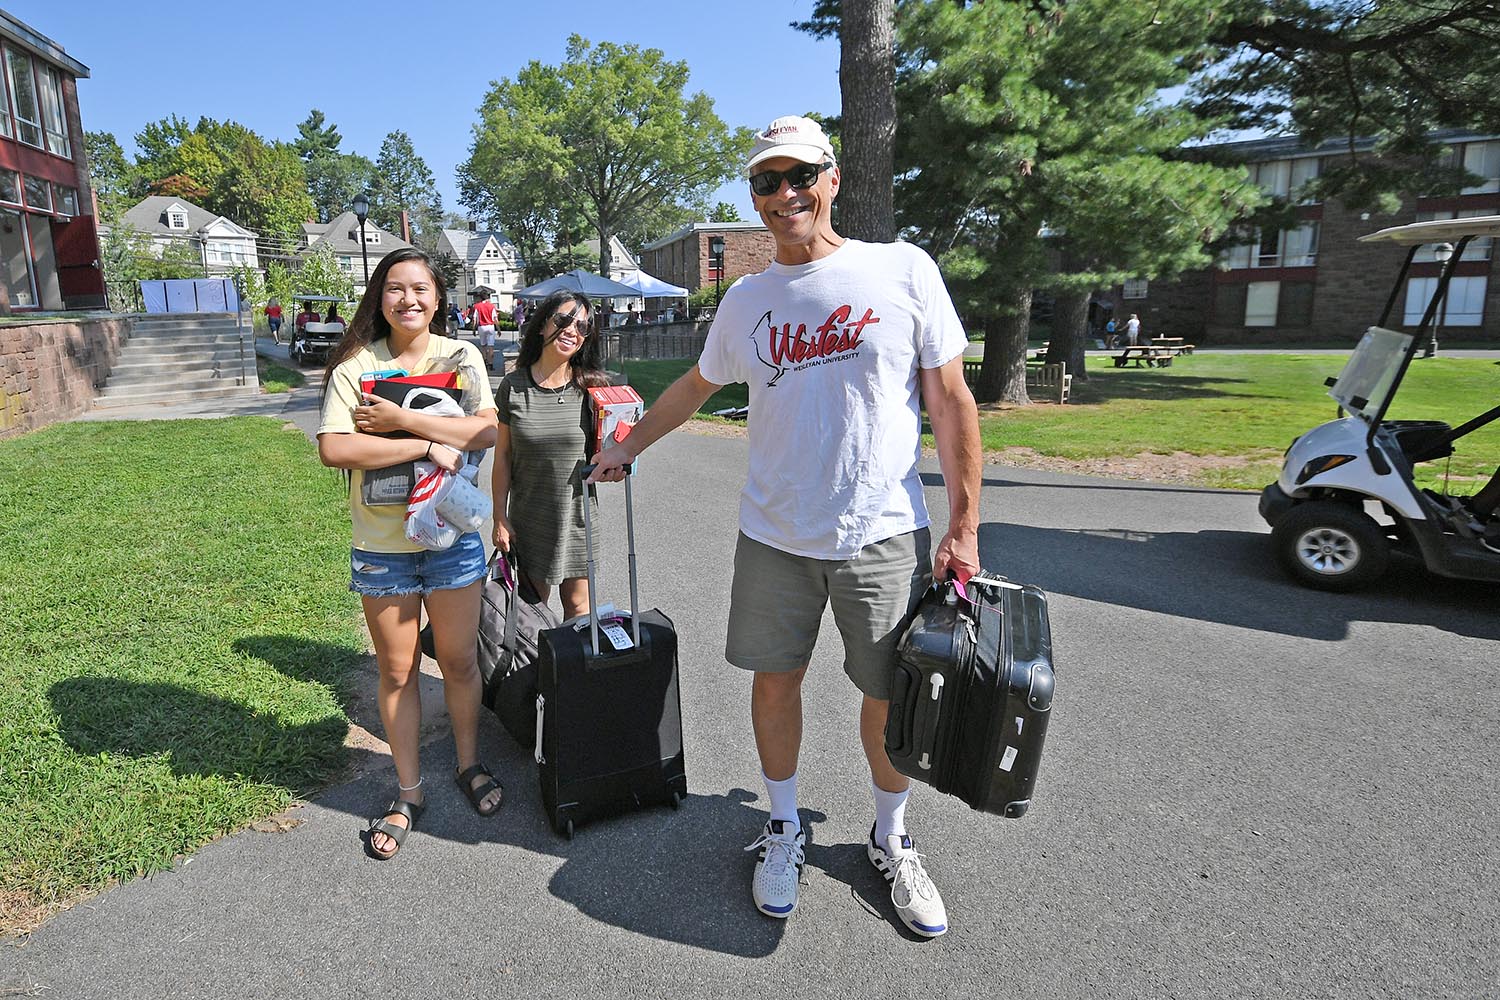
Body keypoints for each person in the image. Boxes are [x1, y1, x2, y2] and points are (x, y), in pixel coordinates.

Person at [588, 114, 981, 938]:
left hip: (881, 531)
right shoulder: (747, 298)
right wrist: (628, 445)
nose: (784, 193)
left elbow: (949, 400)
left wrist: (964, 524)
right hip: (773, 533)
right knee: (776, 682)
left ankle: (891, 836)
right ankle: (782, 824)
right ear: (755, 199)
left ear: (832, 178)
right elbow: (694, 388)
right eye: (766, 182)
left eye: (800, 174)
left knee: (885, 692)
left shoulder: (900, 271)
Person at [316, 248, 503, 861]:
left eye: (420, 288)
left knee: (458, 663)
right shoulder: (355, 366)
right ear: (379, 297)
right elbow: (336, 450)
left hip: (451, 538)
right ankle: (408, 791)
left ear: (438, 296)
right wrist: (419, 440)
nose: (408, 300)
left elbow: (485, 432)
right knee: (396, 672)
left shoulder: (462, 356)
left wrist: (393, 421)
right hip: (383, 548)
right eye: (395, 289)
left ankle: (469, 765)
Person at [491, 290, 610, 620]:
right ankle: (533, 672)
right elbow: (502, 457)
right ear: (544, 324)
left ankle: (573, 673)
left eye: (582, 327)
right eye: (564, 320)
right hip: (529, 518)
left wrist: (617, 464)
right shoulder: (513, 386)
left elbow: (613, 450)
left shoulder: (594, 388)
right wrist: (499, 516)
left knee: (579, 608)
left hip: (577, 518)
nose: (572, 330)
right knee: (530, 611)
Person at [467, 293, 499, 370]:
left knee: (483, 346)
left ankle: (485, 362)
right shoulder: (491, 306)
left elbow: (475, 319)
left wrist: (474, 329)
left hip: (481, 327)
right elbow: (495, 318)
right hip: (490, 326)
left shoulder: (477, 306)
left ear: (480, 298)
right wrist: (498, 329)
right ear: (487, 298)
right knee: (491, 347)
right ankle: (491, 364)